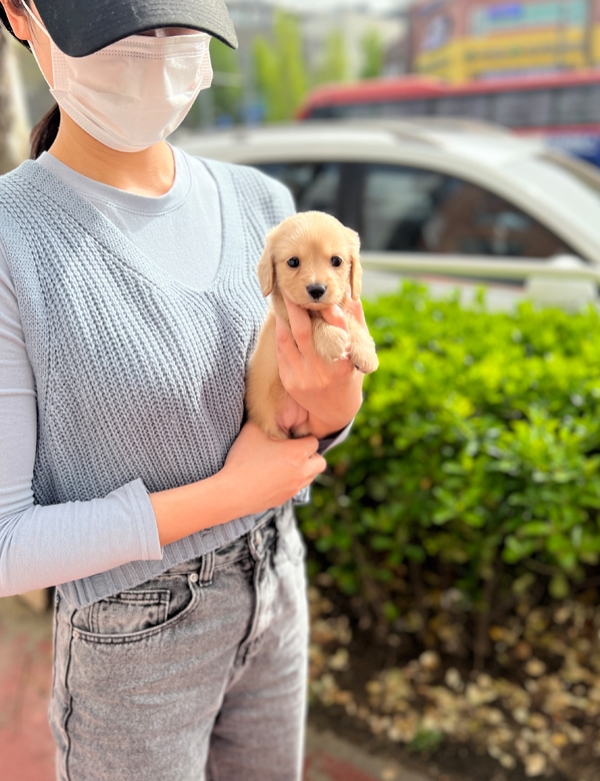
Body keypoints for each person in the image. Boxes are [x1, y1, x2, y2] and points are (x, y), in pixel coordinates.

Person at [0, 1, 367, 779]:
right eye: (115, 19)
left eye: (177, 20)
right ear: (19, 14)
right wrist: (233, 492)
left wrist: (334, 411)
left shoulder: (265, 208)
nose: (153, 49)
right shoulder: (13, 242)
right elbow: (6, 545)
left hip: (277, 582)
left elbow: (299, 422)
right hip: (134, 649)